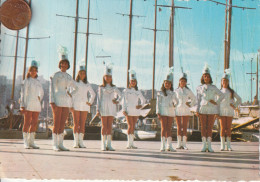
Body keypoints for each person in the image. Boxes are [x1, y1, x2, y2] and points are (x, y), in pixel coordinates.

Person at [50, 46, 78, 151]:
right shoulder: (56, 75)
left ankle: (61, 144)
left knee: (63, 122)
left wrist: (70, 93)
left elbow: (76, 87)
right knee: (56, 122)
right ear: (60, 64)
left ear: (68, 65)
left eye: (66, 63)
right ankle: (55, 144)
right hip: (57, 99)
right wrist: (52, 101)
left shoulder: (69, 77)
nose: (64, 65)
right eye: (62, 63)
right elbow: (51, 89)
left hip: (65, 100)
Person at [196, 63, 224, 152]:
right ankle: (204, 145)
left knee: (210, 127)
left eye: (207, 76)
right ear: (203, 77)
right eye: (204, 76)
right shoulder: (199, 88)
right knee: (203, 127)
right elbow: (198, 100)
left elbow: (221, 95)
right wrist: (197, 110)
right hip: (203, 108)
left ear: (210, 77)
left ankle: (210, 146)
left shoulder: (213, 87)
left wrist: (216, 102)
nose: (206, 78)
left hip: (211, 108)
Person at [96, 62, 121, 151]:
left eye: (110, 77)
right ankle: (103, 144)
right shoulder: (101, 87)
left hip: (111, 108)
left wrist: (117, 101)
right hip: (103, 108)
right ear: (104, 77)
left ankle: (109, 144)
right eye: (107, 76)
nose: (108, 78)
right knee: (104, 126)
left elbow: (121, 95)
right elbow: (98, 99)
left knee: (109, 126)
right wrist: (97, 110)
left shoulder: (114, 87)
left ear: (112, 78)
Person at [20, 60, 44, 149]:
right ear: (29, 71)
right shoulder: (26, 81)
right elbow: (22, 94)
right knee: (27, 123)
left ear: (37, 71)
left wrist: (39, 98)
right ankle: (26, 142)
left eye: (35, 70)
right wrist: (22, 105)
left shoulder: (38, 82)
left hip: (36, 105)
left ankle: (31, 142)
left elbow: (42, 92)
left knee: (34, 123)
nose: (33, 72)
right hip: (28, 103)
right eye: (32, 70)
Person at [72, 63, 96, 148]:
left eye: (84, 73)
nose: (82, 74)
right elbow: (70, 94)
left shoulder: (87, 84)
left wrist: (90, 102)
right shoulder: (74, 82)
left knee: (82, 124)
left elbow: (93, 94)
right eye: (81, 72)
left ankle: (81, 142)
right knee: (76, 123)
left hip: (84, 106)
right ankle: (75, 142)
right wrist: (71, 105)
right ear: (78, 73)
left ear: (85, 74)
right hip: (76, 105)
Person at [122, 70, 146, 149]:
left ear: (136, 82)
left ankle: (132, 144)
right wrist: (123, 110)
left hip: (136, 111)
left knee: (133, 126)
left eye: (134, 81)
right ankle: (128, 143)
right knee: (130, 126)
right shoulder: (126, 90)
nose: (133, 82)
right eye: (132, 81)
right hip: (128, 110)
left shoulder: (138, 91)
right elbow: (124, 101)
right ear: (129, 82)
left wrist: (141, 105)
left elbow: (143, 100)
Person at [219, 69, 241, 151]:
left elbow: (239, 99)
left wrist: (234, 105)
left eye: (226, 81)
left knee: (228, 128)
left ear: (228, 82)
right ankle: (222, 145)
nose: (224, 82)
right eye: (223, 81)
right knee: (222, 128)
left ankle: (228, 145)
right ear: (221, 82)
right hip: (221, 111)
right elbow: (216, 103)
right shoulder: (219, 91)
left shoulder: (231, 91)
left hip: (229, 111)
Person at [156, 67, 178, 152]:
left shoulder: (173, 93)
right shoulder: (160, 93)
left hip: (171, 112)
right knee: (163, 128)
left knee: (169, 129)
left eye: (169, 83)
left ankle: (169, 145)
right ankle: (163, 145)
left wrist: (174, 103)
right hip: (163, 112)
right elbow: (158, 103)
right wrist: (158, 112)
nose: (167, 84)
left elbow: (177, 101)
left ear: (171, 84)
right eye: (166, 83)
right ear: (164, 83)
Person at [175, 72, 196, 150]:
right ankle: (178, 144)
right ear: (179, 81)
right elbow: (173, 99)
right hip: (178, 109)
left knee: (184, 127)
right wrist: (174, 104)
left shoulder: (188, 90)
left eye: (184, 81)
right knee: (178, 127)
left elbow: (194, 99)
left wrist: (190, 105)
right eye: (181, 81)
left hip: (186, 110)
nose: (183, 82)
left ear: (186, 82)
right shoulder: (176, 90)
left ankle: (184, 144)